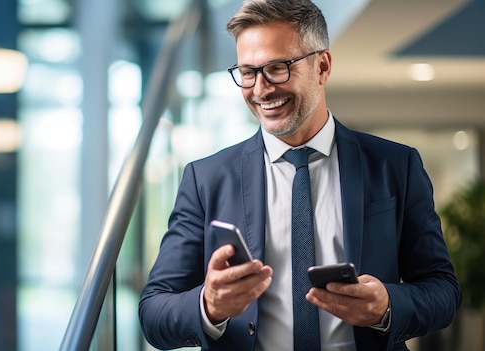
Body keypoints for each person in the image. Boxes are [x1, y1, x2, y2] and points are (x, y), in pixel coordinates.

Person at [138, 0, 462, 350]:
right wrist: (209, 306)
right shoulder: (206, 179)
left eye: (278, 68)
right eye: (248, 72)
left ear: (322, 66)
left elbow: (442, 291)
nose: (261, 89)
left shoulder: (396, 165)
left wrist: (386, 305)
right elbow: (154, 312)